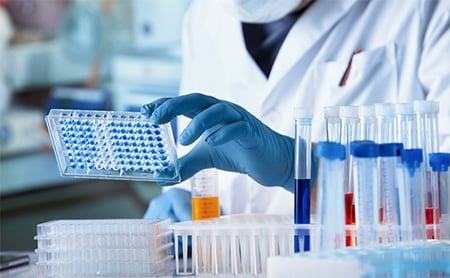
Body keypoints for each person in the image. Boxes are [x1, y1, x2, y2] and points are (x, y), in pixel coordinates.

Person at [142, 0, 450, 223]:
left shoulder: (426, 8)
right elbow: (199, 146)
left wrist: (306, 171)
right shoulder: (203, 16)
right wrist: (188, 201)